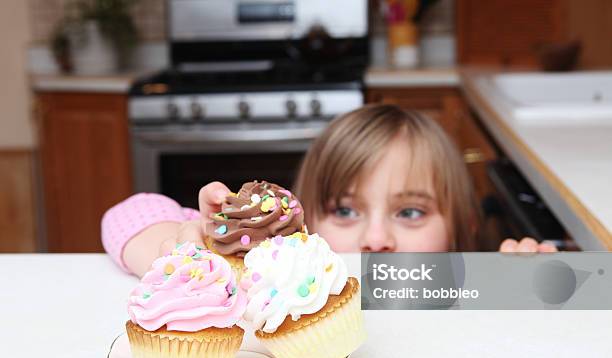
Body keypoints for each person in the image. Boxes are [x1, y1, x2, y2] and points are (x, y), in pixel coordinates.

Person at [102, 105, 555, 277]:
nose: (377, 240)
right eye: (345, 211)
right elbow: (131, 213)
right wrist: (188, 244)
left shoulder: (464, 294)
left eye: (411, 213)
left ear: (463, 226)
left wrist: (520, 288)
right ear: (304, 225)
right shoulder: (274, 276)